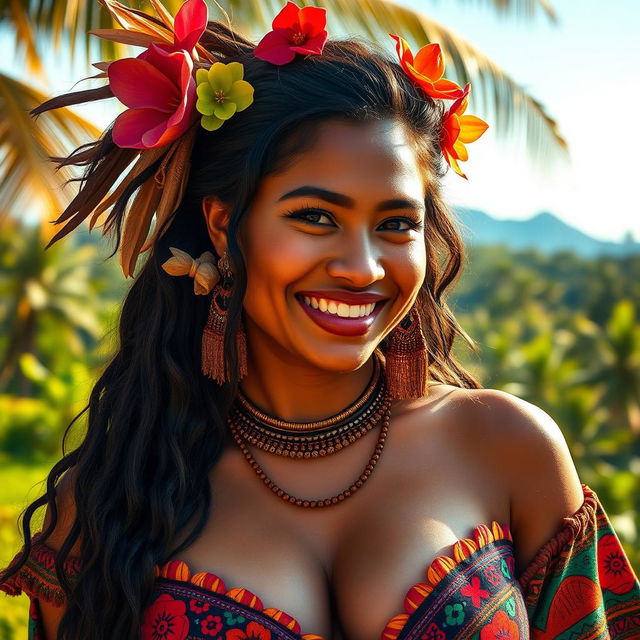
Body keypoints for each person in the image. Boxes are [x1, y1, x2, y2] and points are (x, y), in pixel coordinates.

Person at [1, 0, 639, 639]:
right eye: (315, 217)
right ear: (225, 228)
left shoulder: (510, 448)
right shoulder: (113, 495)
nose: (362, 269)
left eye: (396, 224)